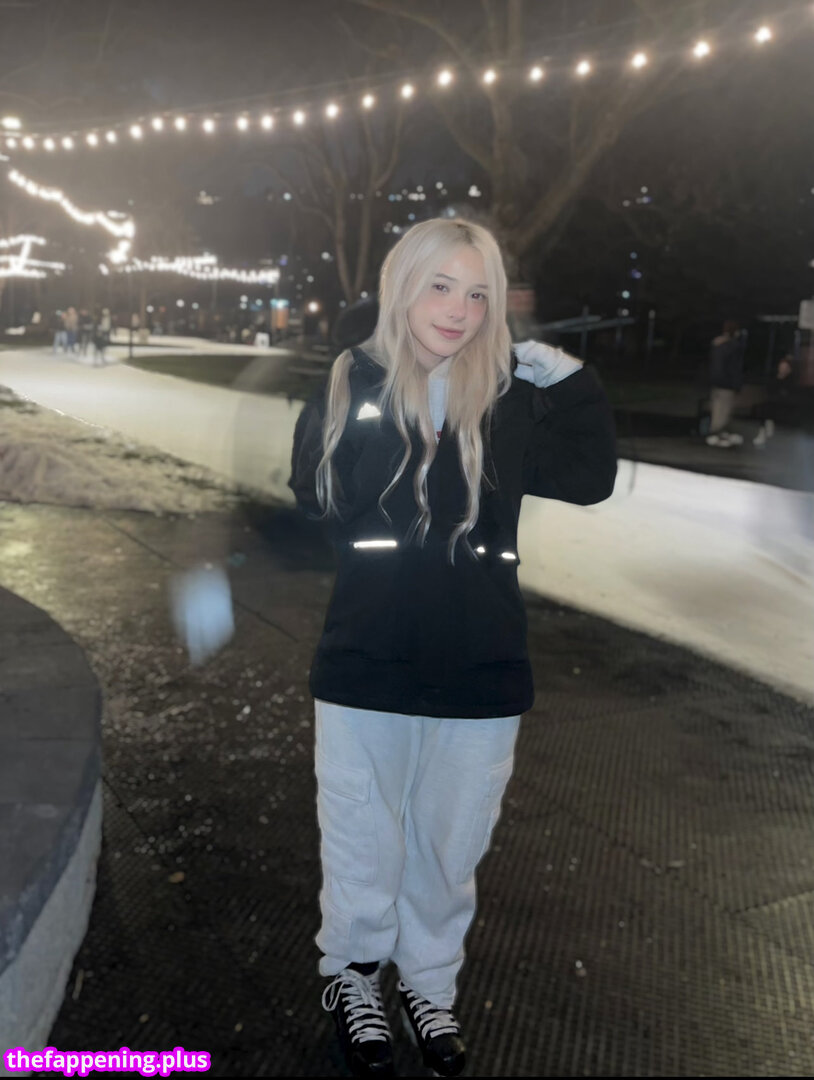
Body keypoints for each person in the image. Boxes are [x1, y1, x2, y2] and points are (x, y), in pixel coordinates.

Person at [288, 218, 617, 1078]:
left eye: (478, 293)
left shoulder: (507, 401)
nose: (460, 310)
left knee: (450, 844)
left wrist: (569, 383)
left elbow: (589, 481)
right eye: (441, 286)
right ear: (404, 288)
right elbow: (317, 498)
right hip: (367, 659)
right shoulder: (351, 381)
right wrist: (394, 409)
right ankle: (355, 978)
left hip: (482, 665)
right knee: (362, 838)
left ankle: (429, 987)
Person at [705, 319, 746, 448]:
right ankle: (718, 433)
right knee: (725, 409)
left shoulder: (717, 344)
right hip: (727, 383)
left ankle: (714, 432)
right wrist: (737, 384)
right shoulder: (734, 346)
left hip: (715, 381)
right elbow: (734, 368)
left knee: (717, 408)